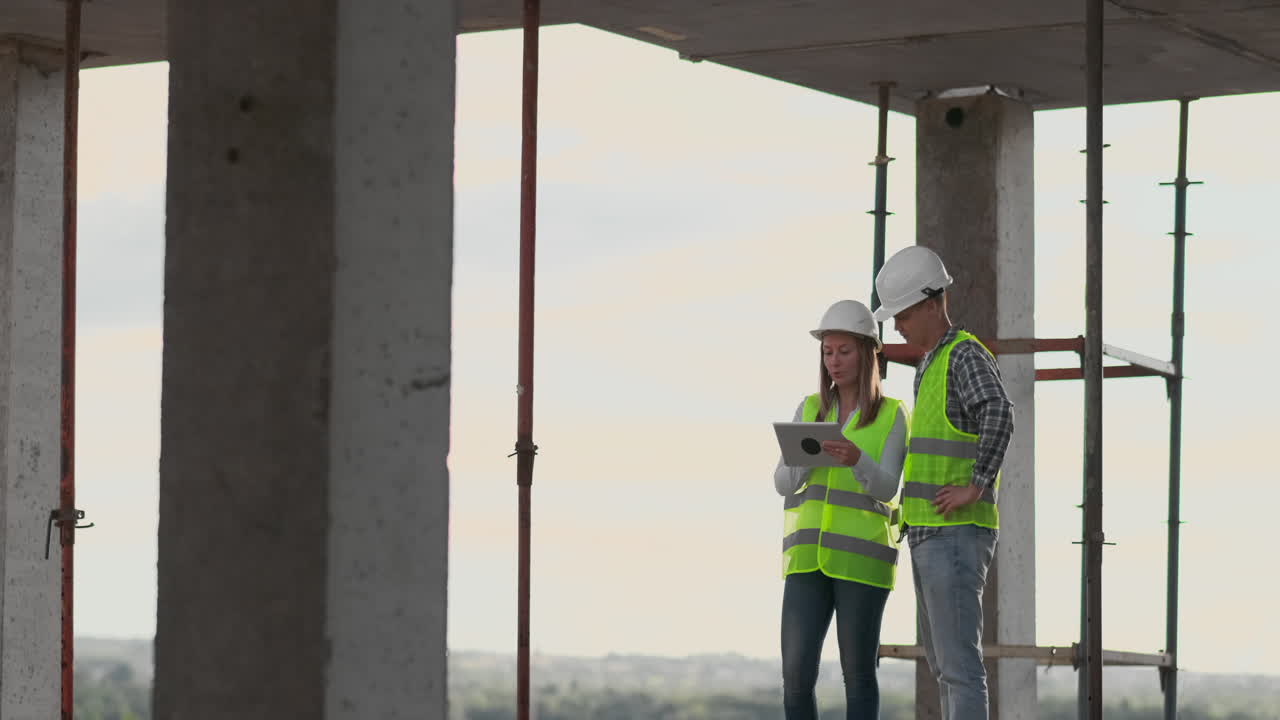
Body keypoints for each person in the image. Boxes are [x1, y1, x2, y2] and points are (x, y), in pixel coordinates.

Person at [871, 246, 1015, 720]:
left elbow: (999, 412)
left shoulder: (963, 355)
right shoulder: (933, 363)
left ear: (933, 303)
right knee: (945, 667)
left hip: (954, 534)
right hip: (932, 534)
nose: (897, 326)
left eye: (904, 315)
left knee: (958, 669)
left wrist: (976, 485)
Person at [774, 299, 909, 720]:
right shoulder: (808, 409)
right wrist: (802, 461)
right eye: (827, 351)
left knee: (859, 676)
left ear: (868, 353)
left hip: (862, 564)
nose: (833, 361)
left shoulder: (892, 415)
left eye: (844, 351)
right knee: (795, 679)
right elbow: (781, 484)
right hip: (806, 561)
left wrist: (857, 460)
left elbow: (888, 487)